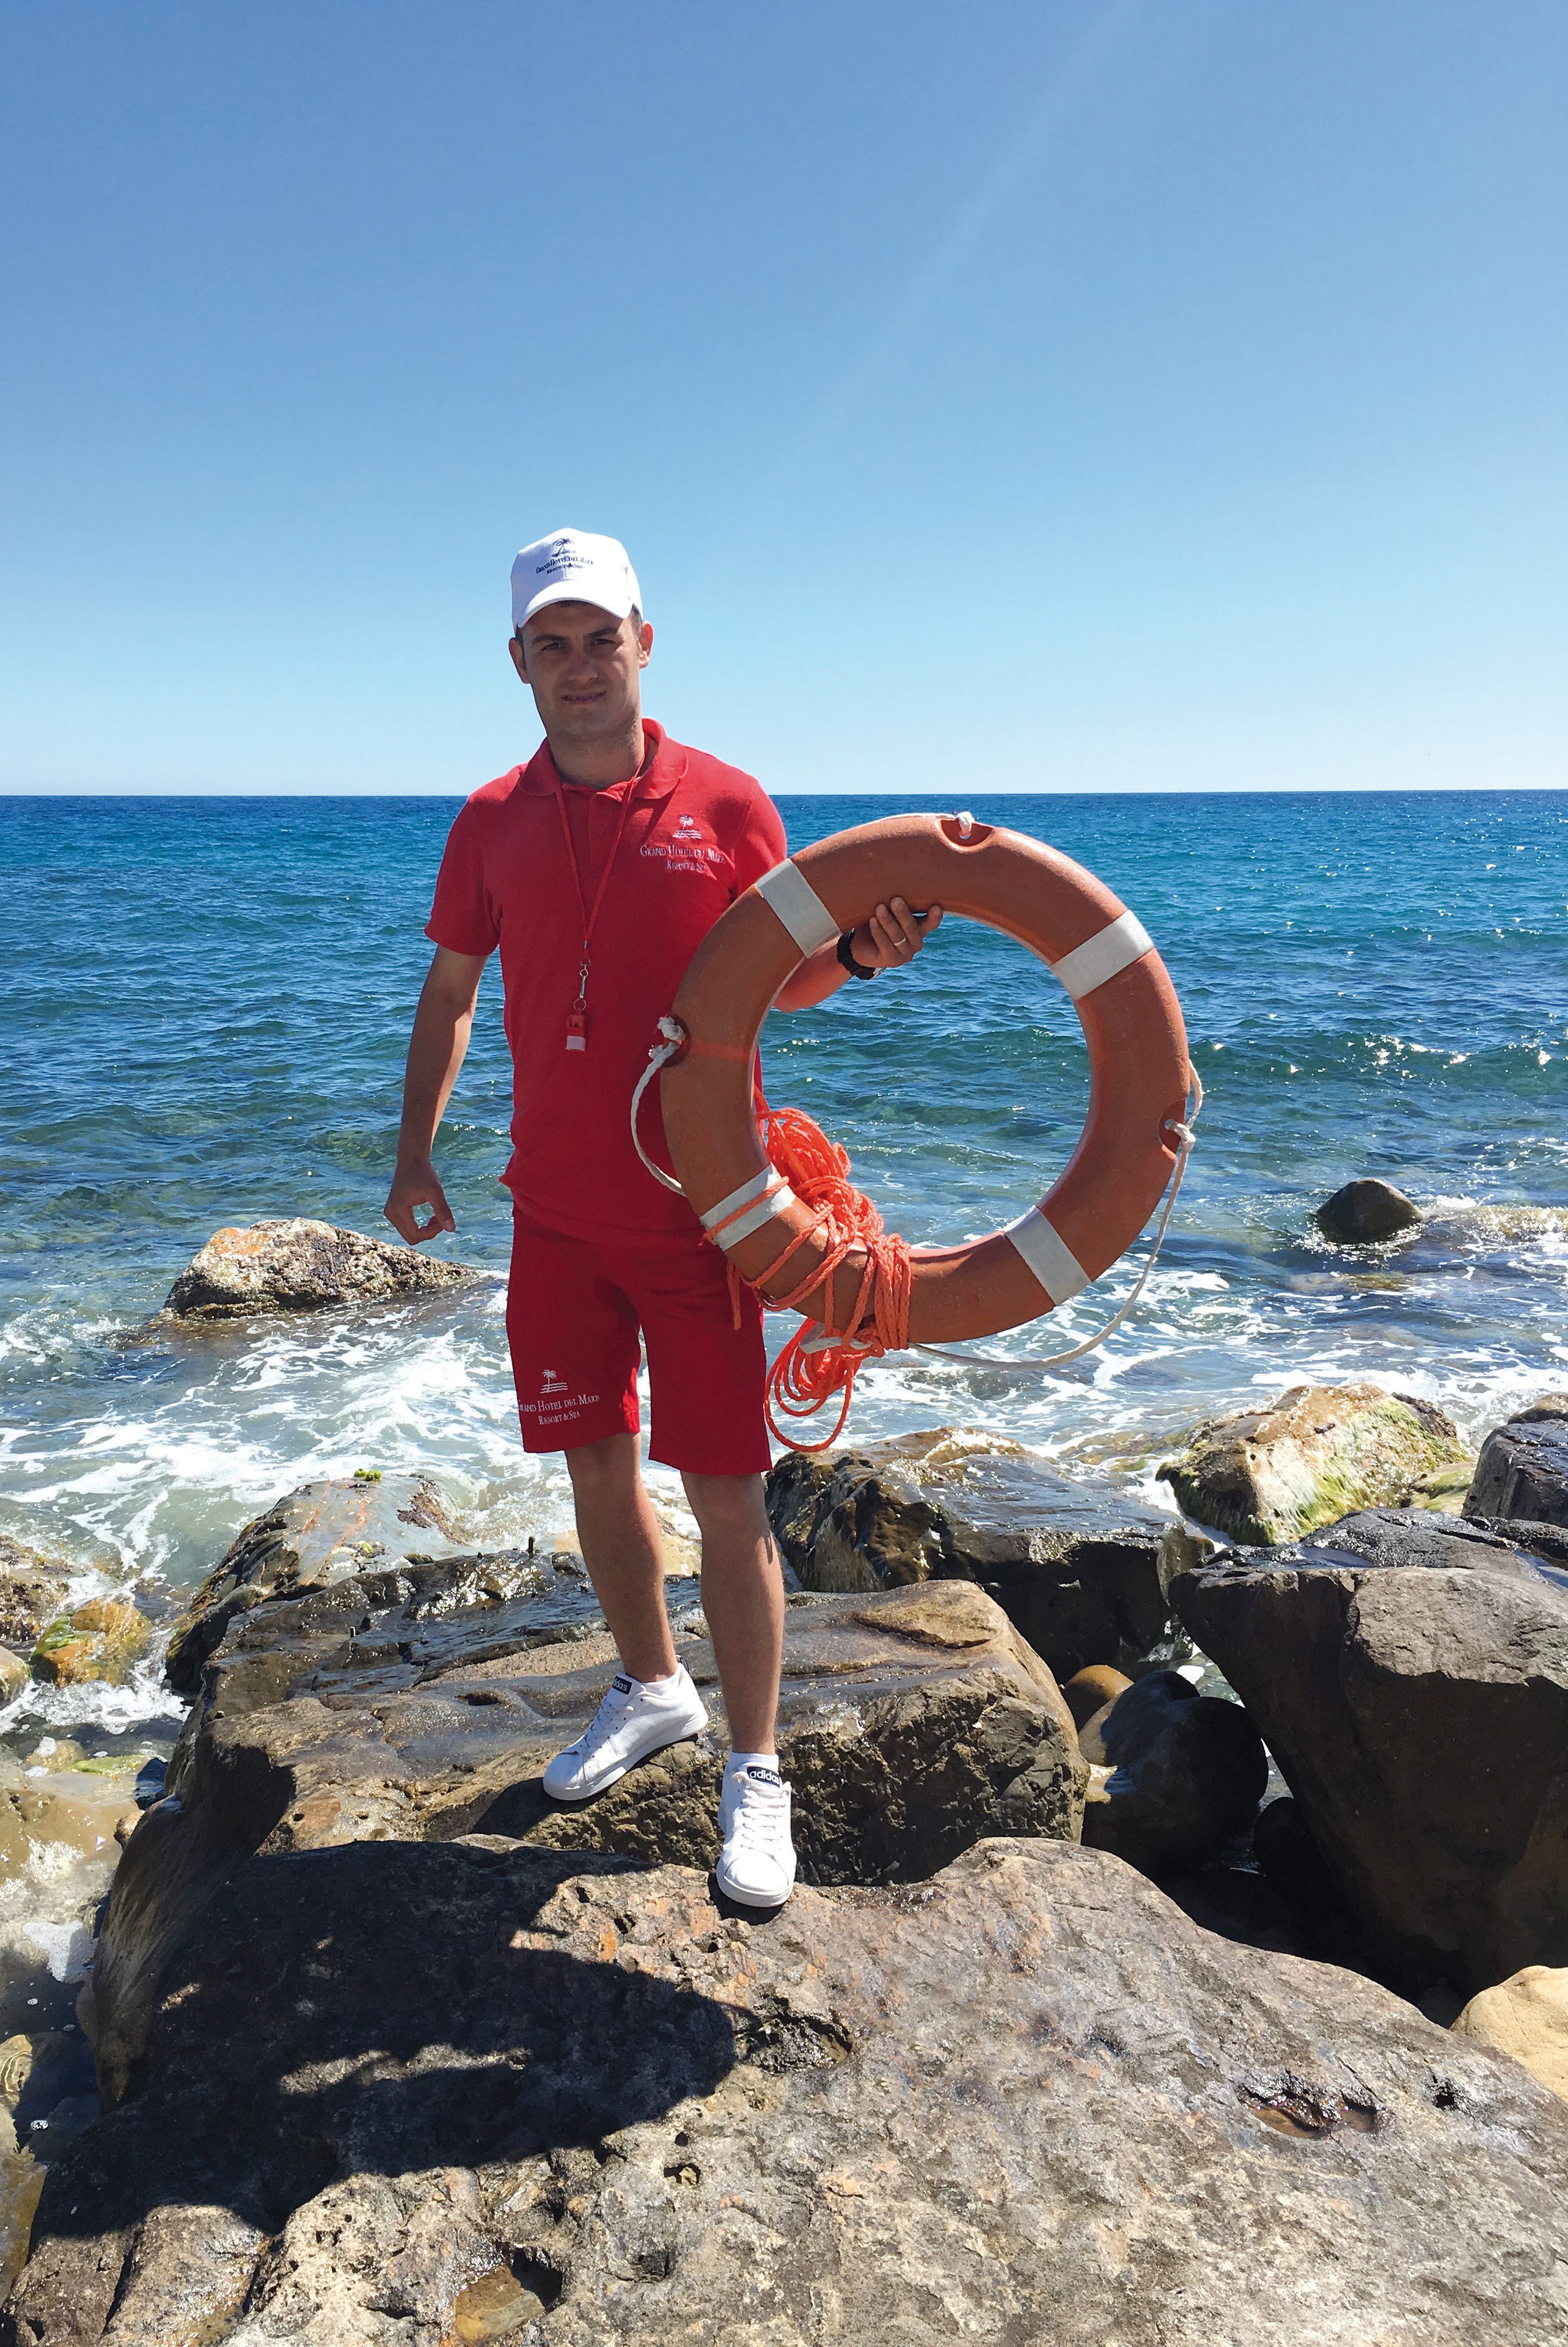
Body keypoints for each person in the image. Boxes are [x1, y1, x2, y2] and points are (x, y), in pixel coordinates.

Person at [384, 528, 939, 1907]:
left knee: (729, 1491)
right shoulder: (489, 820)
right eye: (551, 645)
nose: (580, 667)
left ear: (645, 640)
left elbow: (778, 977)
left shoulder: (731, 803)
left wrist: (863, 954)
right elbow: (451, 996)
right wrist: (415, 1153)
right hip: (554, 1216)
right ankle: (650, 1689)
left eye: (600, 637)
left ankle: (758, 1774)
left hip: (708, 1211)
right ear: (519, 663)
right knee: (592, 1466)